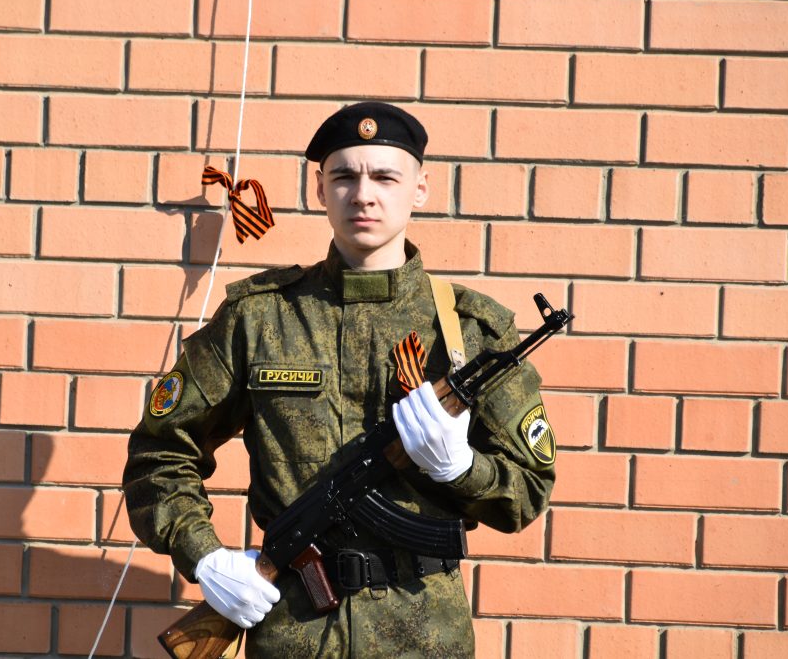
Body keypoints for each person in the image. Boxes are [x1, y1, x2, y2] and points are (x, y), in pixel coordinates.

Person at [123, 102, 556, 657]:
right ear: (319, 190)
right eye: (345, 176)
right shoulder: (260, 318)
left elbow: (526, 493)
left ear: (420, 189)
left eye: (385, 177)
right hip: (294, 632)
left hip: (424, 635)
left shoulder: (470, 331)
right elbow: (160, 453)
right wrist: (204, 555)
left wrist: (461, 467)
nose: (363, 195)